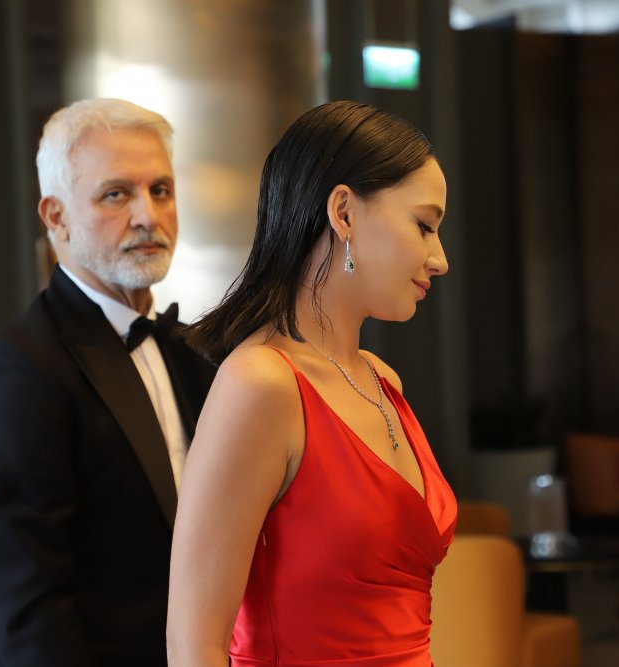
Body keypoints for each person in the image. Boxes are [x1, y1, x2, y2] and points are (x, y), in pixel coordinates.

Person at [166, 100, 457, 666]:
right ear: (343, 213)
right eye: (424, 226)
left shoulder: (382, 379)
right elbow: (193, 645)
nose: (439, 259)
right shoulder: (260, 384)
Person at [0, 98, 216, 666]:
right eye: (115, 194)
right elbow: (31, 610)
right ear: (56, 217)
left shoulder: (194, 353)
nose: (147, 215)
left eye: (161, 190)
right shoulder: (17, 371)